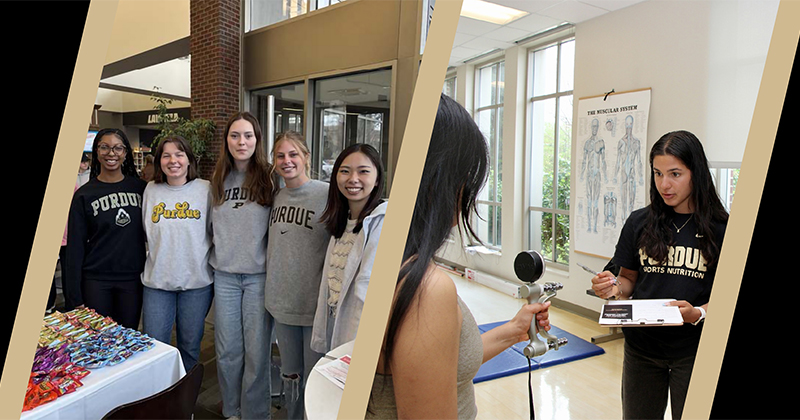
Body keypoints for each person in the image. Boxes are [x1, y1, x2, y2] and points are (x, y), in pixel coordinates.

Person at [367, 94, 551, 419]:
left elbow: (442, 365)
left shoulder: (397, 262)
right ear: (448, 181)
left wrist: (515, 329)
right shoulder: (425, 289)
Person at [591, 130, 728, 420]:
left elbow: (728, 298)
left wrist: (698, 314)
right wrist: (612, 287)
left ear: (696, 173)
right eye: (657, 173)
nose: (664, 184)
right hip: (642, 350)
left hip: (695, 352)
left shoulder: (722, 228)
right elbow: (627, 279)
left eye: (675, 174)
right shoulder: (640, 222)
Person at [209, 112, 276, 420]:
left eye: (248, 135)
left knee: (257, 352)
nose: (241, 141)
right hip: (224, 277)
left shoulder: (269, 178)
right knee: (227, 352)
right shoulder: (217, 179)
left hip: (257, 278)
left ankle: (255, 414)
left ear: (257, 140)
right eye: (235, 135)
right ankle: (231, 410)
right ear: (227, 140)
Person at [264, 130, 331, 420]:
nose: (286, 160)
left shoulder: (328, 194)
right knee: (291, 375)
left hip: (314, 306)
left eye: (293, 154)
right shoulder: (276, 196)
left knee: (315, 378)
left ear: (306, 157)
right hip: (281, 303)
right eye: (280, 155)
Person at [141, 135, 214, 371]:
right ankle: (157, 400)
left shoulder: (206, 189)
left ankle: (185, 403)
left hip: (196, 284)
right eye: (166, 155)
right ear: (159, 161)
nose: (173, 160)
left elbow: (214, 232)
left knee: (190, 347)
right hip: (157, 283)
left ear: (189, 159)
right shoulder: (151, 190)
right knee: (154, 347)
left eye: (179, 154)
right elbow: (145, 232)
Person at [65, 128, 147, 327]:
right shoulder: (84, 195)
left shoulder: (141, 188)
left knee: (128, 338)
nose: (112, 153)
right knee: (98, 340)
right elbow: (75, 248)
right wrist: (74, 298)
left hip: (132, 279)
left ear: (126, 153)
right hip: (96, 280)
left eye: (118, 148)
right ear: (96, 151)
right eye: (105, 147)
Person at [310, 143, 387, 354]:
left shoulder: (382, 222)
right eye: (345, 171)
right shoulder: (342, 223)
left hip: (359, 335)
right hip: (336, 324)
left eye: (363, 172)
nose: (353, 179)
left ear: (377, 178)